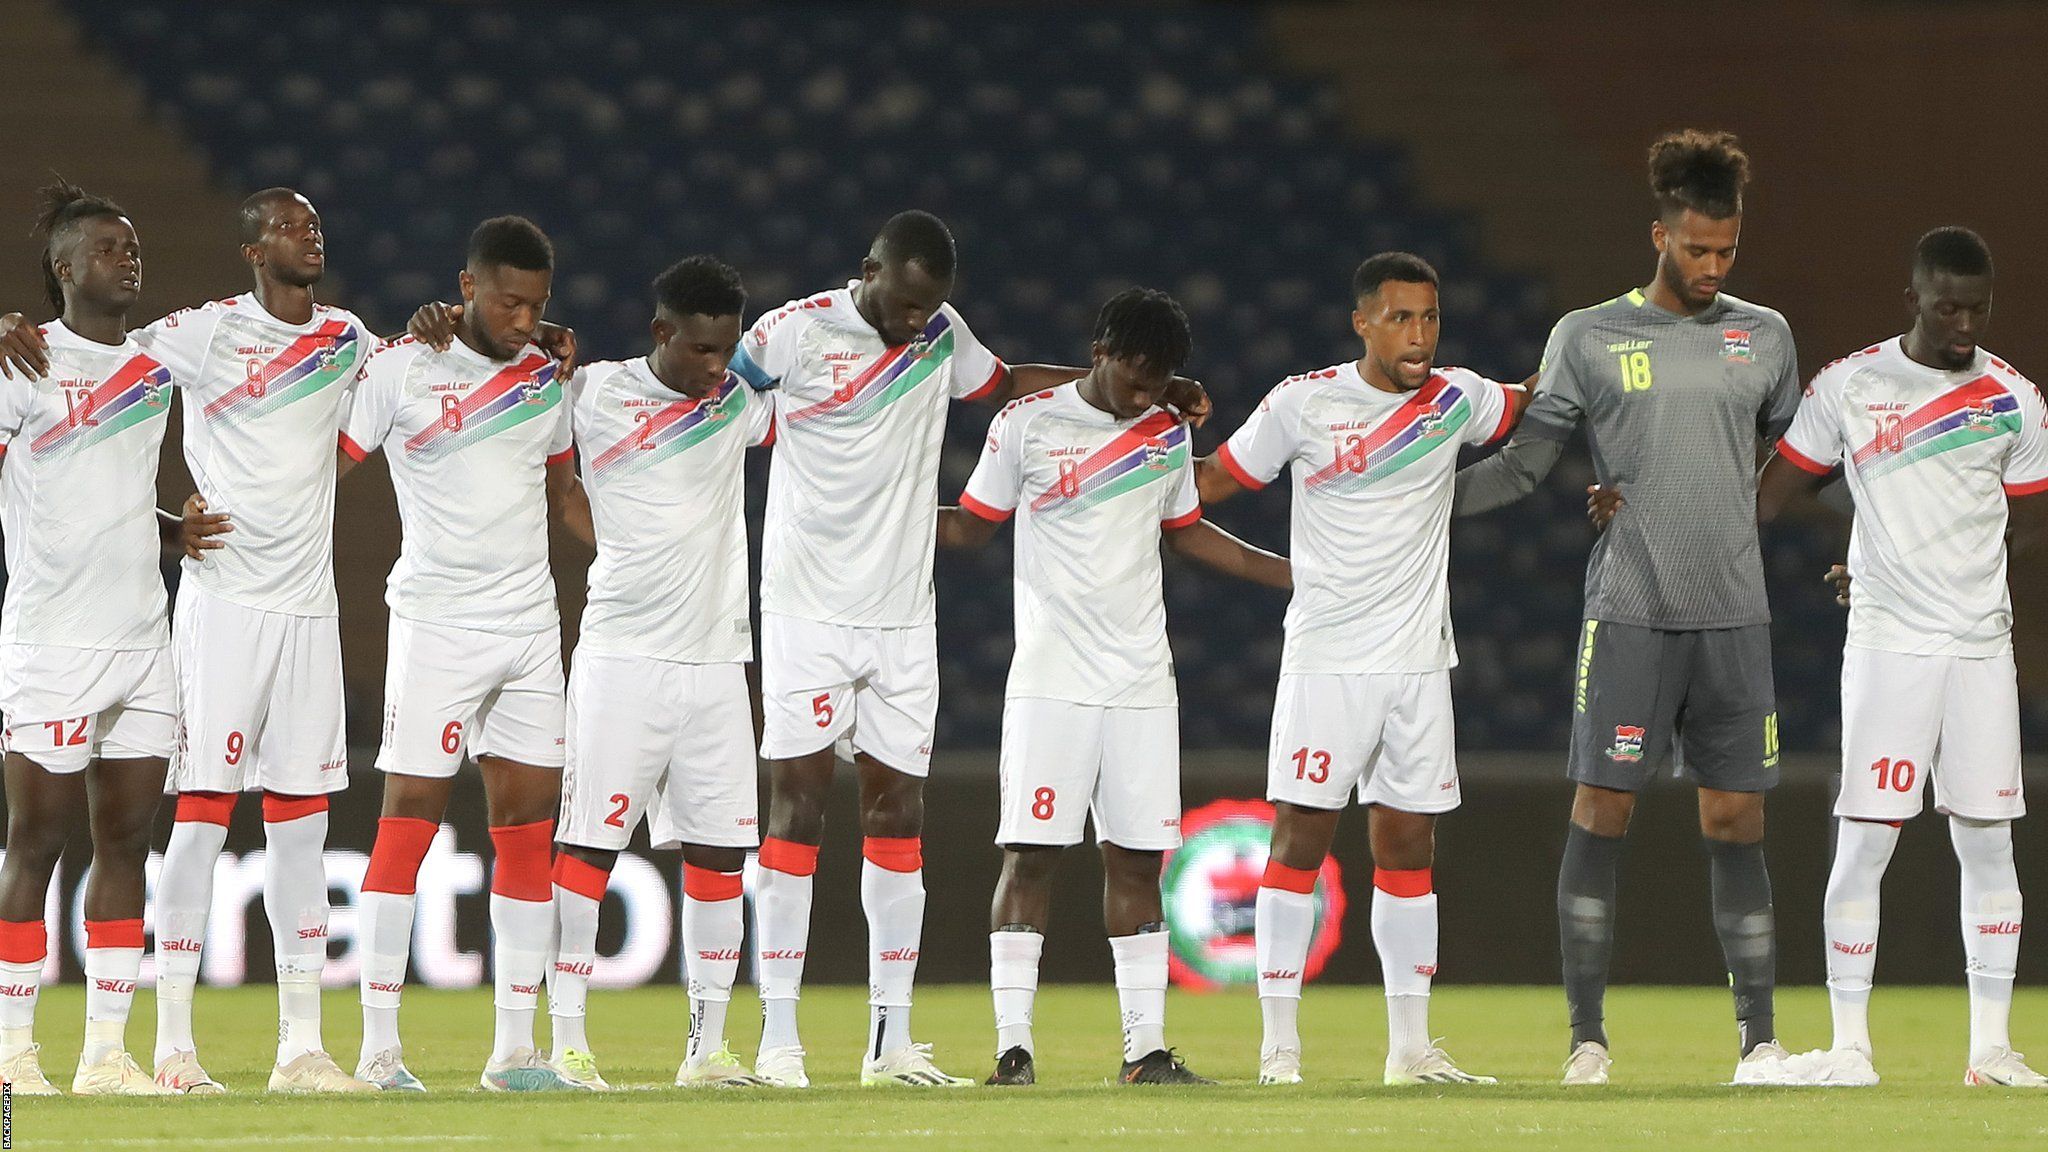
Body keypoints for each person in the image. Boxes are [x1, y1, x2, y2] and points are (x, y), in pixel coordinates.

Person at [0, 187, 571, 1093]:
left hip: (310, 613)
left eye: (316, 224)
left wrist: (463, 329)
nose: (313, 236)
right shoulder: (202, 333)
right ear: (253, 251)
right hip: (219, 608)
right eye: (292, 227)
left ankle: (300, 1047)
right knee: (194, 827)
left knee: (301, 834)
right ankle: (175, 1048)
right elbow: (95, 355)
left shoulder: (348, 339)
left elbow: (425, 374)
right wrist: (11, 330)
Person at [727, 210, 1205, 1088]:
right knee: (796, 810)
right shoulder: (791, 332)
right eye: (907, 304)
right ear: (868, 269)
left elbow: (1007, 382)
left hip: (907, 614)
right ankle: (779, 1040)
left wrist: (1145, 389)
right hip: (805, 607)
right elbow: (710, 387)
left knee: (897, 817)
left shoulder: (941, 332)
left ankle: (888, 1045)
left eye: (931, 308)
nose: (919, 322)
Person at [1450, 130, 1805, 1086]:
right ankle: (1587, 1042)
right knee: (1602, 810)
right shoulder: (1588, 336)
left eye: (1727, 251)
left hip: (1736, 615)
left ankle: (1760, 1043)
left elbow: (1800, 468)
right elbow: (1525, 466)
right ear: (1659, 234)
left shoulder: (1764, 335)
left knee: (1738, 821)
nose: (1713, 266)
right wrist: (1412, 495)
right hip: (1631, 610)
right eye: (1697, 249)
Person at [938, 288, 1288, 1087]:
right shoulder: (1026, 425)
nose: (1142, 393)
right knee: (1029, 857)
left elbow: (1189, 532)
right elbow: (968, 524)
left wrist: (1292, 575)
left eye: (1157, 379)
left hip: (1139, 683)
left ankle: (1144, 1051)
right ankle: (1013, 1050)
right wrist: (881, 524)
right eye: (1134, 376)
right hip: (1052, 679)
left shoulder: (1165, 431)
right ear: (1099, 351)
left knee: (1136, 861)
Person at [1199, 252, 1531, 1086]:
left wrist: (1590, 346)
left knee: (1408, 842)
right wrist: (1141, 455)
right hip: (1329, 662)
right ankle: (1279, 1047)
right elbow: (1210, 483)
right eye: (1401, 318)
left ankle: (1410, 1049)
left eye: (1429, 318)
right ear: (1363, 322)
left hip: (1420, 664)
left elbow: (1533, 401)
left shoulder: (1459, 396)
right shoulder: (1302, 402)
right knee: (1301, 838)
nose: (1418, 336)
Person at [1755, 227, 2048, 1088]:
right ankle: (1850, 1049)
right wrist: (1864, 541)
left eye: (1977, 308)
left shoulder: (2014, 399)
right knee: (1867, 841)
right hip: (1890, 646)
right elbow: (1776, 494)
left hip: (1979, 648)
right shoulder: (1854, 386)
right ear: (1912, 298)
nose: (1962, 324)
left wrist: (1986, 561)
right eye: (1946, 306)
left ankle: (1991, 1051)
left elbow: (2032, 513)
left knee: (1989, 842)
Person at [336, 216, 581, 1093]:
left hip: (528, 628)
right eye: (509, 300)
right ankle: (378, 1050)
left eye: (538, 304)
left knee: (526, 832)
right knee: (407, 820)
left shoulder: (546, 376)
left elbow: (561, 486)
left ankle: (515, 1050)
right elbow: (331, 461)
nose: (524, 318)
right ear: (468, 287)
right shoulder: (404, 367)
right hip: (436, 623)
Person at [543, 256, 775, 1090]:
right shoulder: (594, 392)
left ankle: (707, 1051)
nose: (716, 368)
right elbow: (546, 467)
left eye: (728, 351)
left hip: (718, 664)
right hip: (623, 658)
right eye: (702, 350)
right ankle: (567, 1042)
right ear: (661, 333)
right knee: (590, 847)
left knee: (720, 856)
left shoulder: (741, 403)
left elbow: (833, 413)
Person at [0, 183, 177, 1096]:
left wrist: (171, 531)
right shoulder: (21, 361)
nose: (129, 257)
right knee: (34, 845)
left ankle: (107, 1053)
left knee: (125, 844)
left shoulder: (152, 369)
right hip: (54, 642)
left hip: (145, 639)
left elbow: (106, 491)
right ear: (65, 268)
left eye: (135, 244)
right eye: (109, 247)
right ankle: (10, 1056)